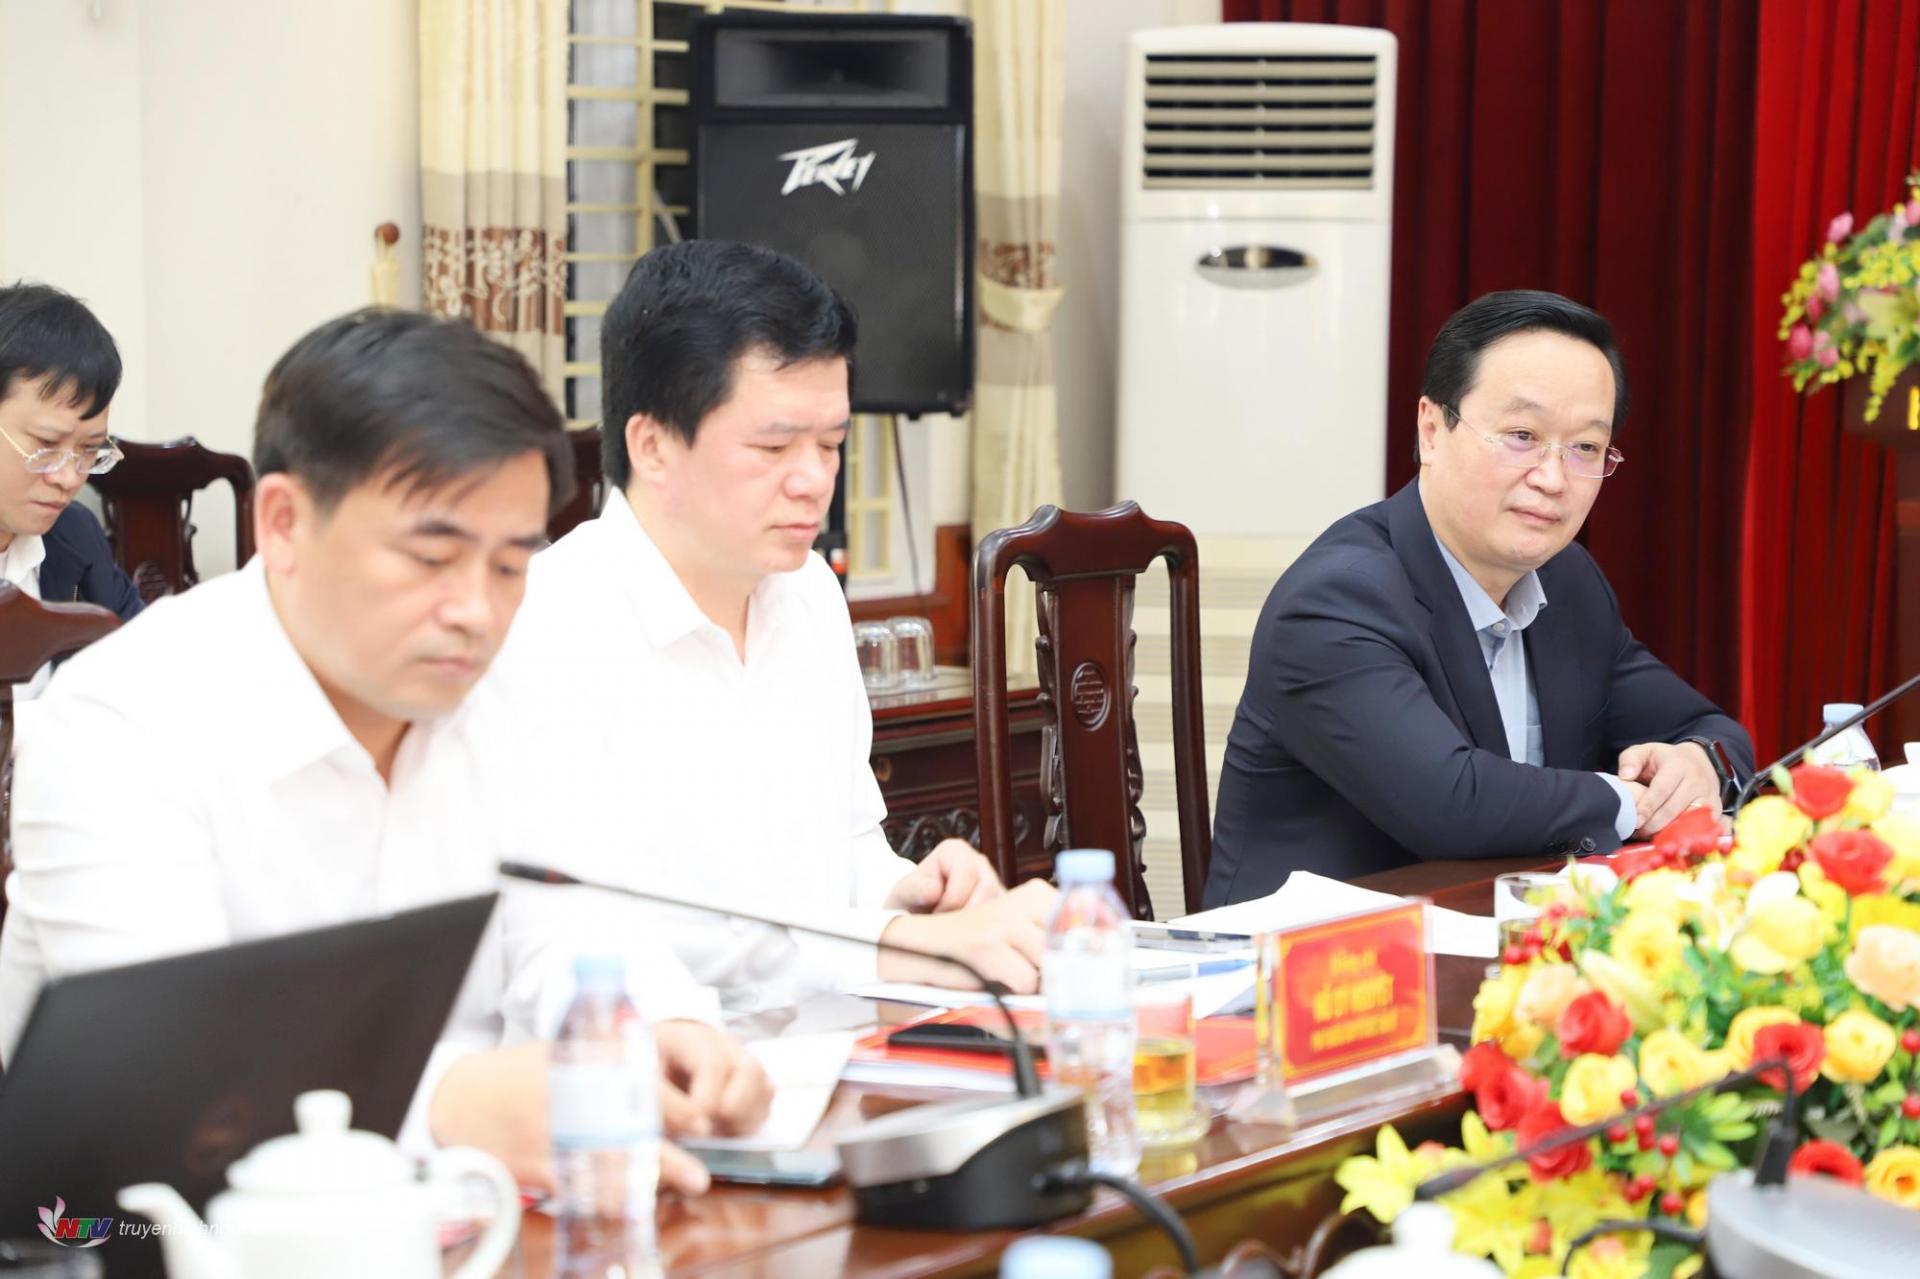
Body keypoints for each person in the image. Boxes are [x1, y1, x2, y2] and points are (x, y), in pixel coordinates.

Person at [0, 309, 768, 1192]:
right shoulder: (119, 722)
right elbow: (172, 1069)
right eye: (431, 557)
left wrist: (658, 1025)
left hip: (461, 1217)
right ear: (283, 522)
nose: (475, 611)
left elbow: (571, 925)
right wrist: (448, 1104)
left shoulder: (517, 686)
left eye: (509, 564)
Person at [489, 239, 1056, 1009]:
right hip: (656, 1063)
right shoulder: (546, 626)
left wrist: (910, 897)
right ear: (652, 445)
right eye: (774, 446)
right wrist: (889, 945)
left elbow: (846, 851)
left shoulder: (810, 592)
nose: (814, 479)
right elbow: (586, 937)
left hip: (831, 1051)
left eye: (831, 444)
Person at [1205, 290, 1754, 904]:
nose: (1553, 478)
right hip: (1313, 952)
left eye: (1585, 448)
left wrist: (1698, 763)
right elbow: (1449, 803)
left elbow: (1707, 728)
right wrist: (1631, 801)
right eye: (1521, 435)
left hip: (1501, 935)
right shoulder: (1337, 600)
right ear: (1431, 430)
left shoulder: (1568, 583)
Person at [0, 284, 142, 695]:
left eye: (89, 450)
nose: (68, 478)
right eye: (46, 445)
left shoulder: (74, 535)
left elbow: (146, 664)